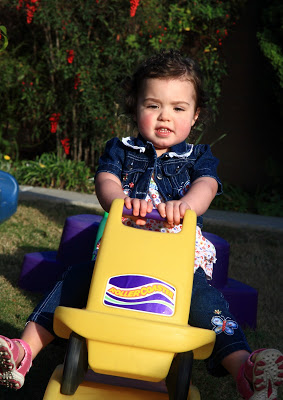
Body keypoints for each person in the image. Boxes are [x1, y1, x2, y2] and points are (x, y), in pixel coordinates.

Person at [0, 50, 282, 399]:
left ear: (195, 116)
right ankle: (24, 351)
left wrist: (186, 205)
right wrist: (119, 200)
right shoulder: (120, 149)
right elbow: (105, 180)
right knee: (75, 279)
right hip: (121, 258)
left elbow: (207, 186)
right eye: (153, 105)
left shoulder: (198, 158)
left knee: (208, 304)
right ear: (136, 108)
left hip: (179, 265)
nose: (165, 116)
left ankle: (245, 369)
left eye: (178, 108)